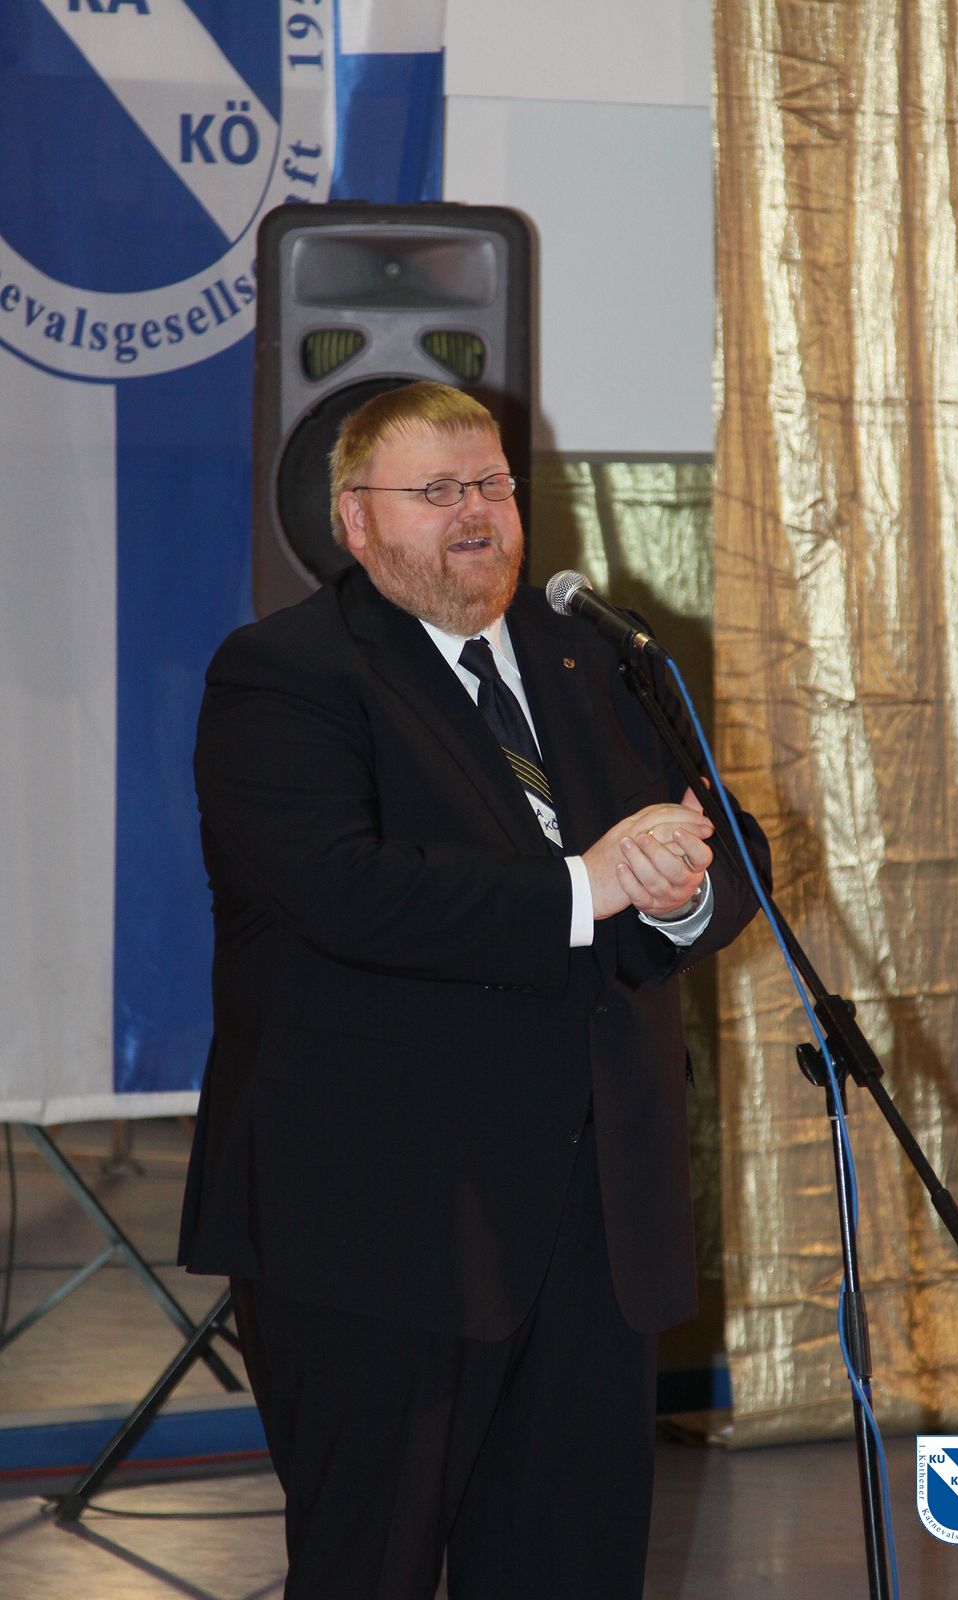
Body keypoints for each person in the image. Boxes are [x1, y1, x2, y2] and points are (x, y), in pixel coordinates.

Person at [179, 381, 769, 1599]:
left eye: (492, 484)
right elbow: (344, 891)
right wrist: (591, 882)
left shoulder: (598, 654)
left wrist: (679, 890)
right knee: (370, 1567)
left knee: (571, 1568)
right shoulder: (283, 673)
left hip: (594, 1224)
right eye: (436, 490)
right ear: (355, 521)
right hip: (383, 1222)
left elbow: (724, 837)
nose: (476, 512)